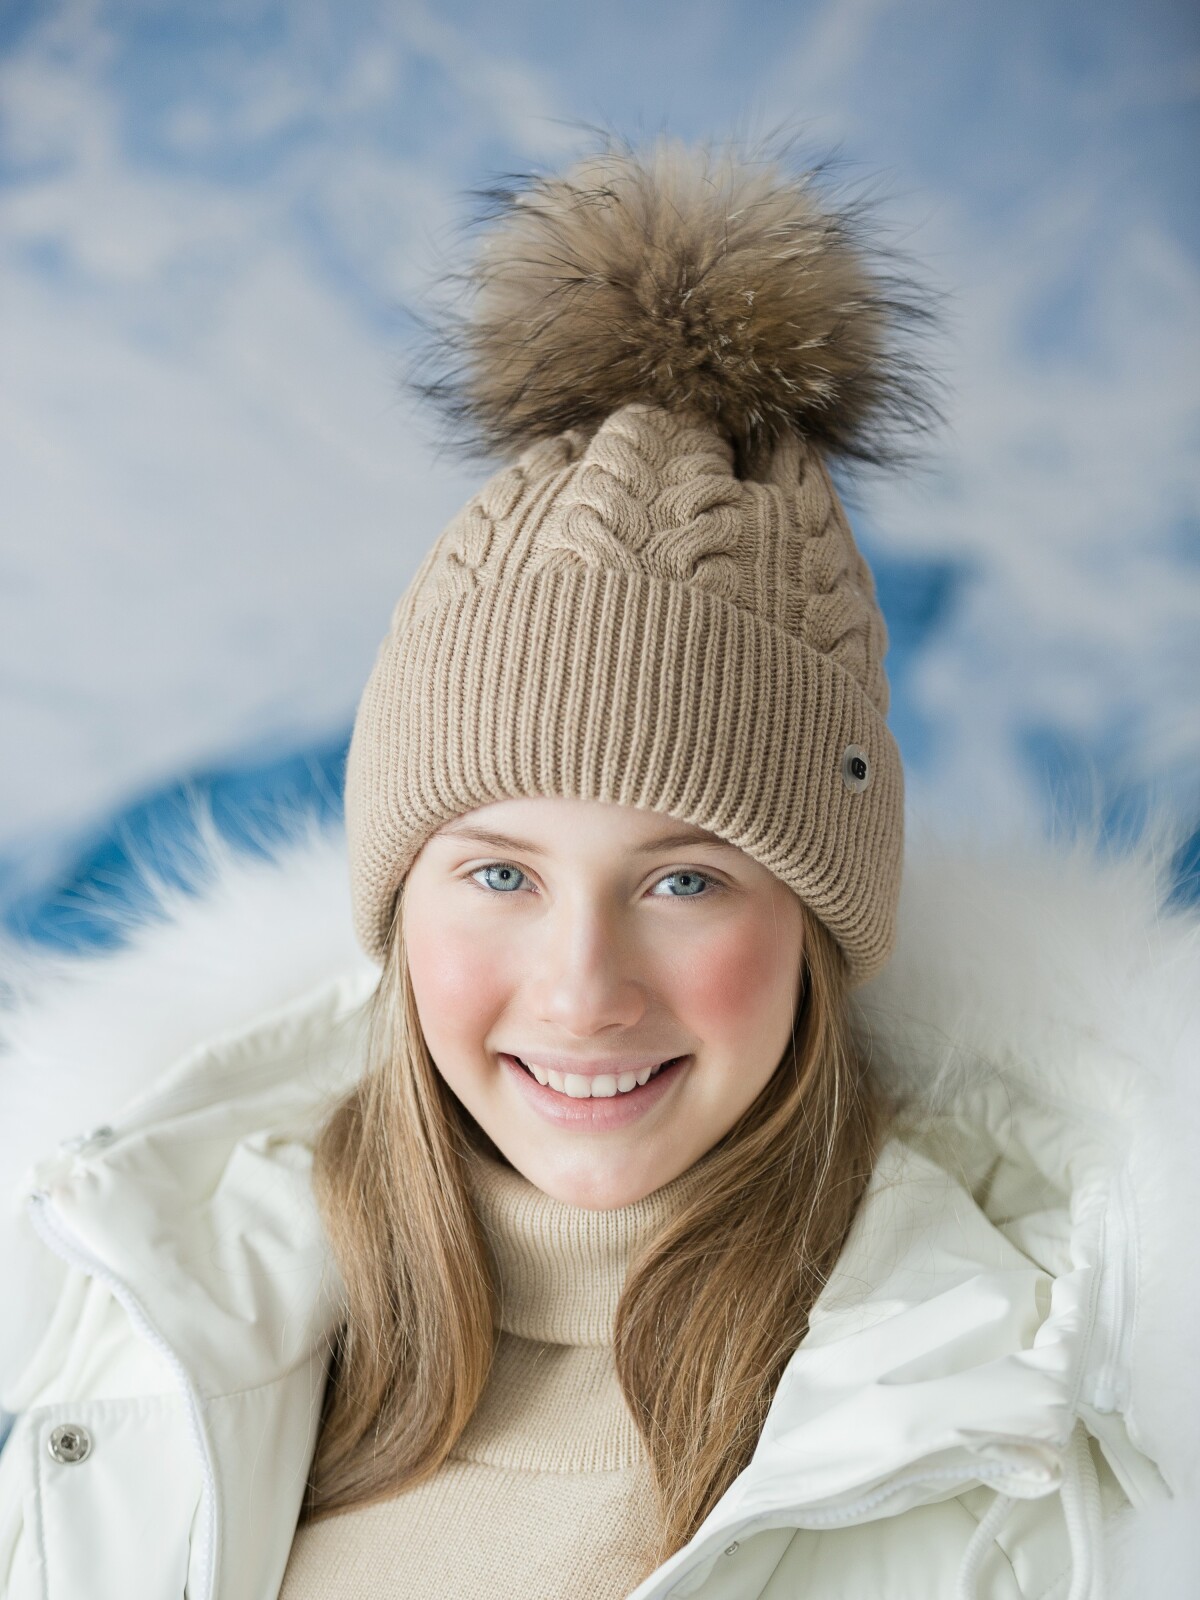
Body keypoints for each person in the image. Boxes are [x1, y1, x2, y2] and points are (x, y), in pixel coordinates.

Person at [0, 136, 1195, 1600]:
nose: (581, 991)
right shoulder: (144, 1313)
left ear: (819, 921)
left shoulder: (1014, 1440)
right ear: (397, 902)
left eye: (684, 880)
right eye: (500, 875)